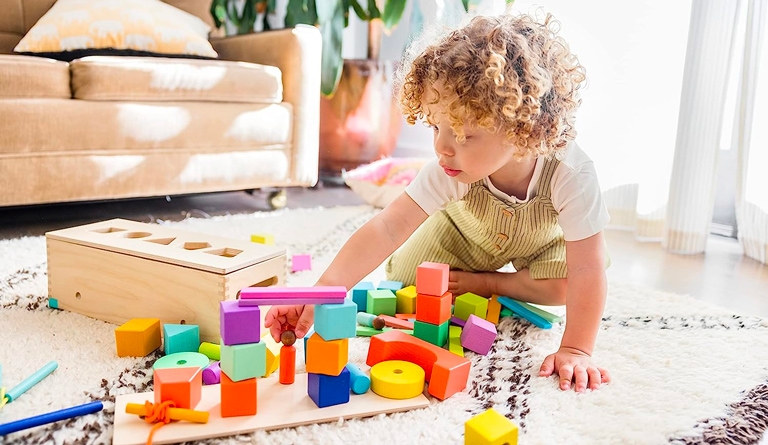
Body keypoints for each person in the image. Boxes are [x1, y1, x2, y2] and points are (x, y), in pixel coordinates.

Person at [266, 11, 612, 392]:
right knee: (404, 279)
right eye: (435, 126)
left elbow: (587, 270)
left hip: (541, 245)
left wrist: (577, 348)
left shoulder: (571, 173)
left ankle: (492, 283)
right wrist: (323, 290)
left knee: (569, 286)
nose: (441, 147)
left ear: (521, 130)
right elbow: (387, 226)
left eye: (463, 135)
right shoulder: (446, 168)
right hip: (464, 233)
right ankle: (475, 277)